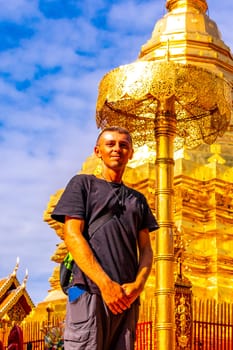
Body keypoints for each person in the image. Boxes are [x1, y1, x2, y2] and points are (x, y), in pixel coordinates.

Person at [51, 126, 159, 350]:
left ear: (131, 153)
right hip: (90, 290)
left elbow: (146, 249)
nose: (117, 149)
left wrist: (138, 285)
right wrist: (105, 284)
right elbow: (72, 235)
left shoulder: (138, 200)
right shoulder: (83, 185)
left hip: (126, 298)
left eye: (123, 145)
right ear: (97, 151)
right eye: (110, 144)